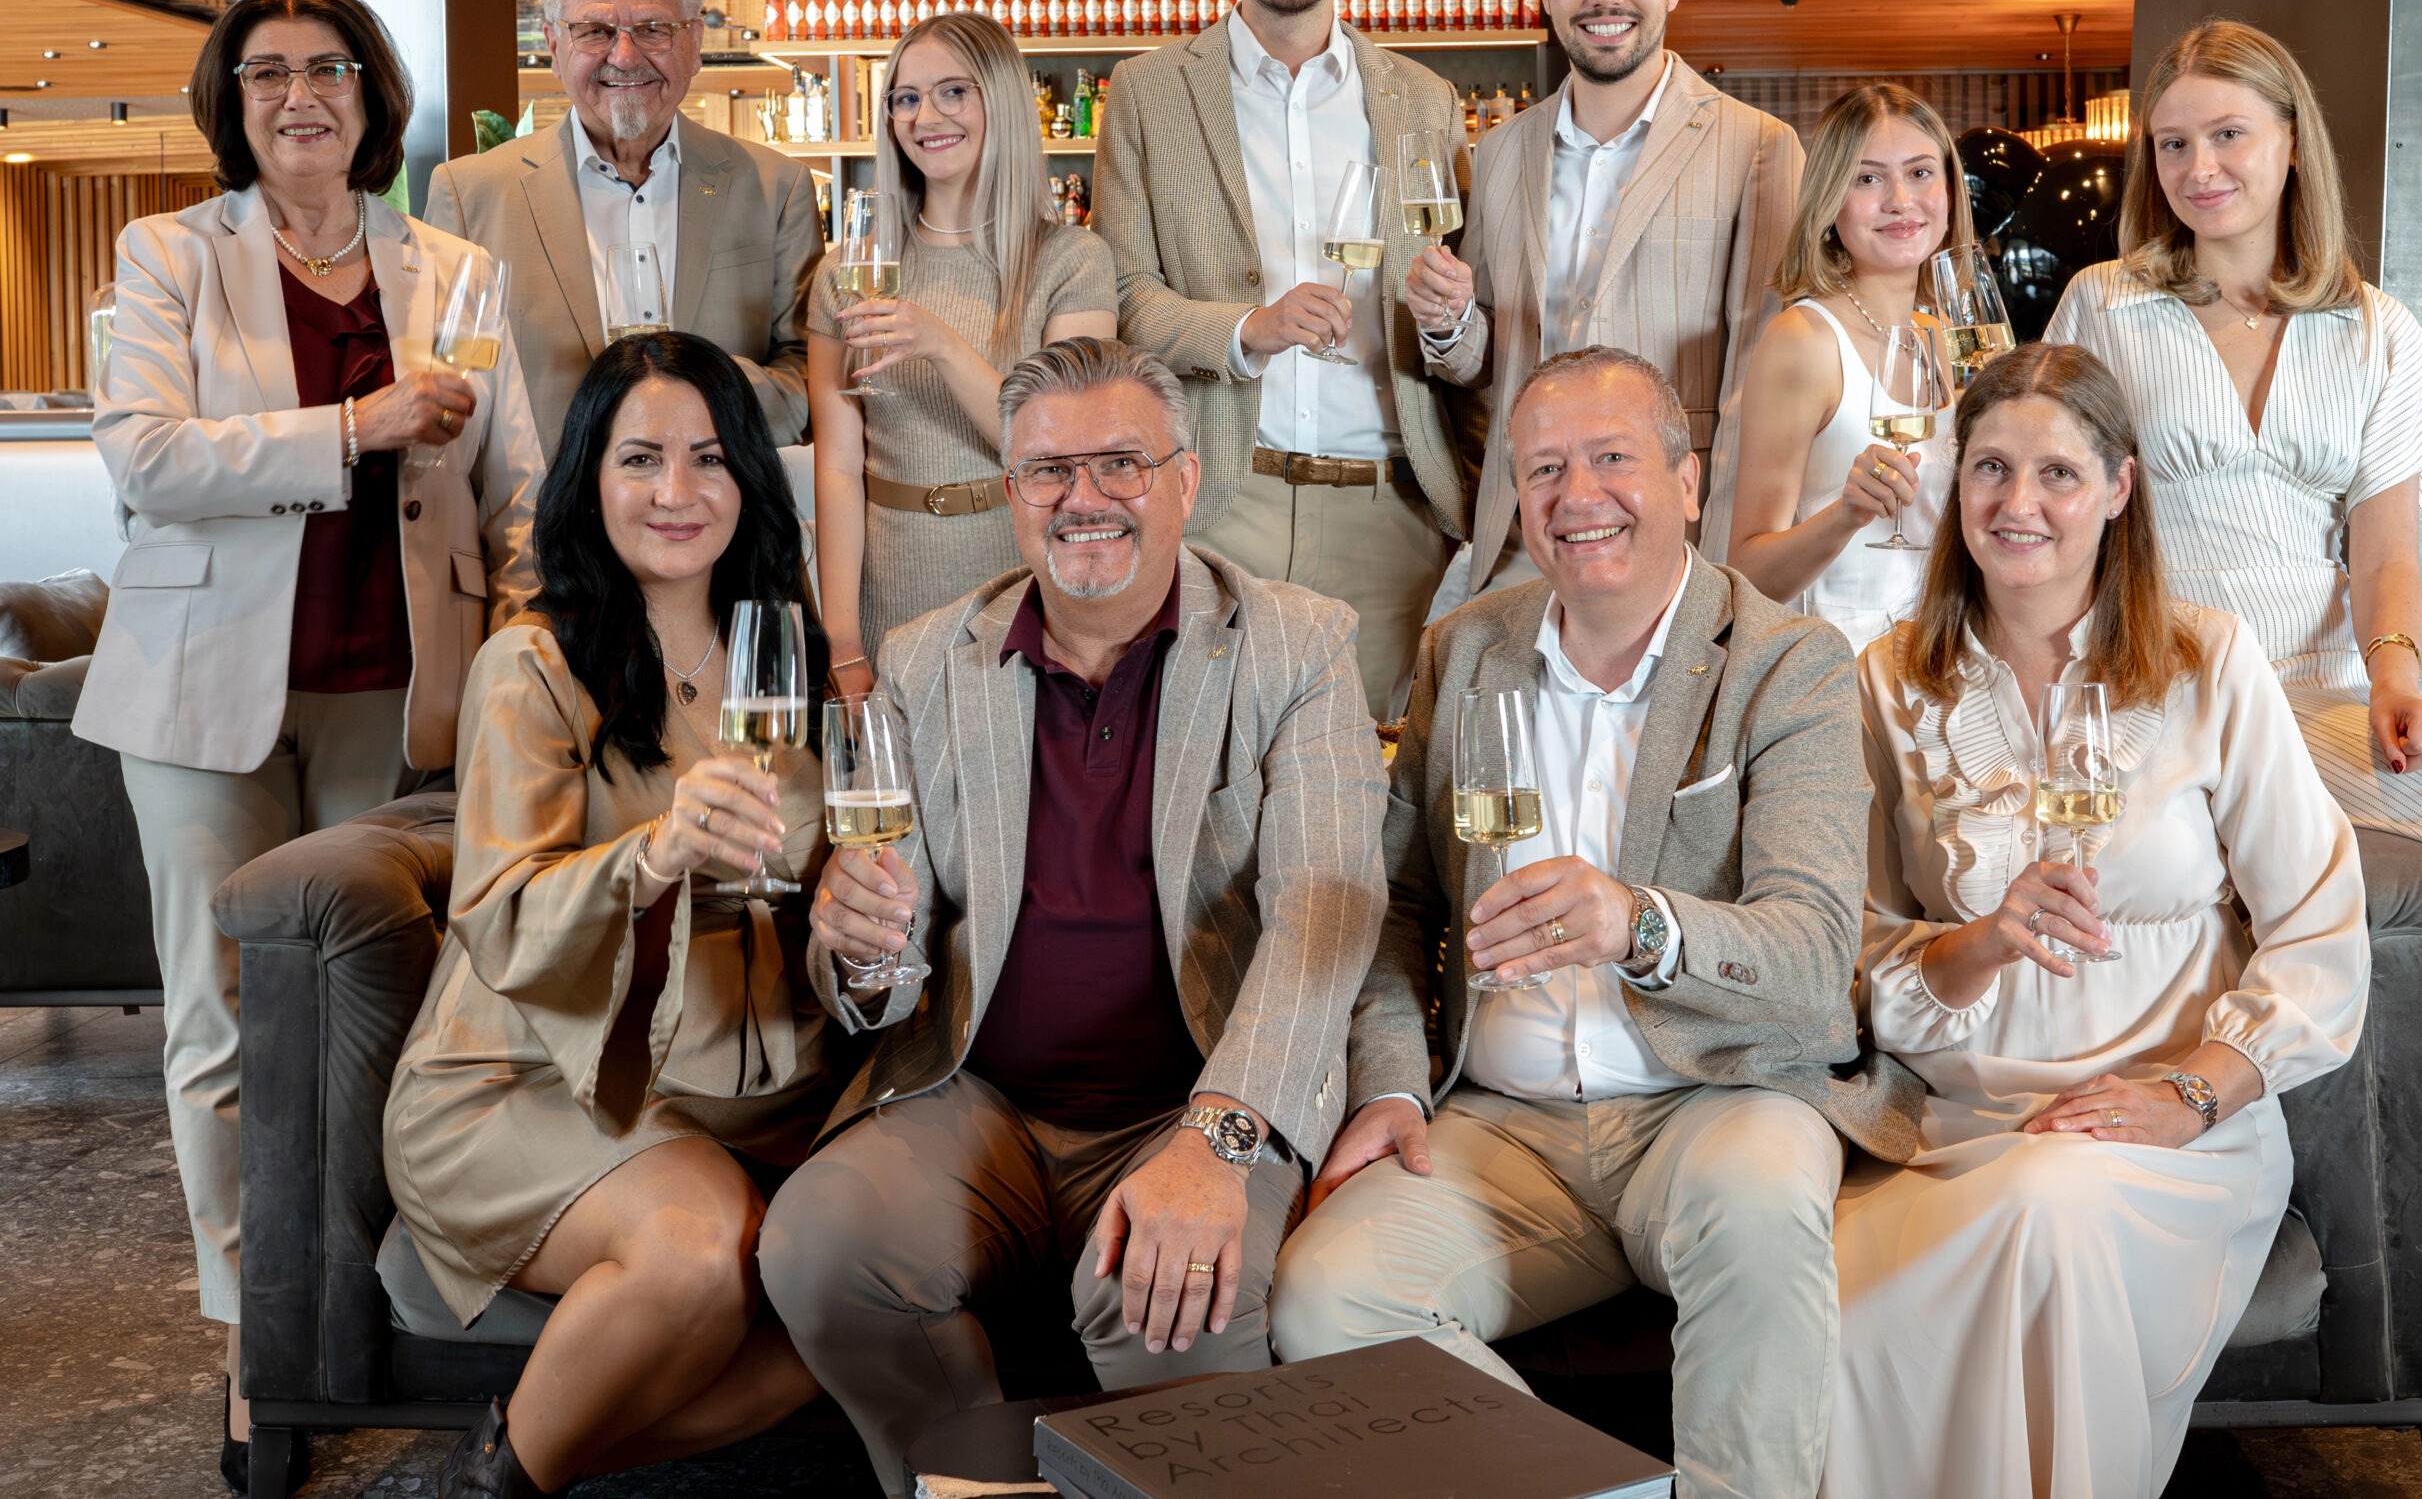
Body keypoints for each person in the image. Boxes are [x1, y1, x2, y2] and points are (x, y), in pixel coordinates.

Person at [2045, 15, 2422, 1485]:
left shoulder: (2373, 329)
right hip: (2166, 688)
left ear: (2290, 147)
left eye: (2229, 135)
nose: (2201, 165)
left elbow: (2385, 553)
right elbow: (2059, 509)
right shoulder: (2105, 307)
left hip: (2329, 691)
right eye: (2176, 141)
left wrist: (2402, 681)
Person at [1270, 346, 1920, 1499]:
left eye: (1611, 460)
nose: (1577, 498)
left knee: (1765, 1207)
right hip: (1502, 1123)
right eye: (1544, 471)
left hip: (1718, 1096)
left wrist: (1640, 925)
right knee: (1329, 1297)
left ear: (1685, 479)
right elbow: (1394, 904)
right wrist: (1387, 1086)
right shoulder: (1463, 650)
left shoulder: (1790, 667)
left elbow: (1816, 959)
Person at [757, 338, 1387, 1495]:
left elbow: (1326, 915)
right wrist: (853, 943)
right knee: (819, 1248)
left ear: (1186, 482)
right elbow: (881, 963)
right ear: (1009, 497)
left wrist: (1221, 1134)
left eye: (1120, 465)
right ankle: (971, 1487)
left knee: (1168, 1293)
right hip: (979, 1097)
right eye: (1048, 472)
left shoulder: (1299, 643)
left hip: (1193, 1093)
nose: (1082, 499)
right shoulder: (921, 662)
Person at [73, 0, 541, 1491]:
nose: (299, 97)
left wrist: (539, 627)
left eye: (327, 69)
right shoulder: (168, 256)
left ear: (372, 94)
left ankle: (372, 1317)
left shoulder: (451, 262)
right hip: (208, 691)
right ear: (232, 102)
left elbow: (517, 480)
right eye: (266, 73)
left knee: (378, 1017)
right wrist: (353, 429)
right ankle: (257, 1348)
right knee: (221, 1024)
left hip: (401, 689)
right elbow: (146, 459)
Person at [1829, 342, 2369, 1497]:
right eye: (1988, 469)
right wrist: (1976, 940)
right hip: (1960, 1125)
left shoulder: (2210, 661)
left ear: (2119, 488)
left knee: (2052, 1206)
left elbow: (2322, 936)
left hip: (2166, 1133)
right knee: (1835, 1314)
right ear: (1953, 480)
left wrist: (2188, 1095)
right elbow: (1860, 958)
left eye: (2056, 475)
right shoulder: (1884, 680)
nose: (2016, 505)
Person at [383, 332, 838, 1499]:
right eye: (640, 459)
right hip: (520, 1078)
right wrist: (655, 853)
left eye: (708, 459)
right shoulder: (532, 665)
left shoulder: (787, 653)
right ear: (590, 477)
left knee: (844, 1293)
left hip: (735, 1085)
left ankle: (513, 1466)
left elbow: (818, 879)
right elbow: (497, 915)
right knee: (700, 1250)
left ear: (750, 476)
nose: (677, 493)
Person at [1092, 0, 1472, 718]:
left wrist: (1454, 320)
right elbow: (1124, 298)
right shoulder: (1149, 90)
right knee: (1204, 774)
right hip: (1221, 498)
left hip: (1391, 517)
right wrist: (1246, 331)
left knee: (1374, 791)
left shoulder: (1423, 100)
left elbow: (1465, 336)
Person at [1409, 0, 1804, 593]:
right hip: (1526, 529)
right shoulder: (1499, 151)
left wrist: (1720, 562)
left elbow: (1761, 376)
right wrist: (1449, 322)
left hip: (1673, 536)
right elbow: (1478, 361)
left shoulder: (1759, 147)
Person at [807, 11, 1117, 692]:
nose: (925, 116)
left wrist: (941, 345)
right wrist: (843, 641)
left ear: (1000, 100)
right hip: (890, 587)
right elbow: (837, 469)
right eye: (906, 98)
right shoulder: (845, 272)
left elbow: (1059, 452)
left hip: (1028, 576)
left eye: (953, 91)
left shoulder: (1073, 263)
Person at [424, 0, 820, 458]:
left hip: (714, 519)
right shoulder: (470, 195)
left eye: (654, 29)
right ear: (554, 44)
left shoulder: (776, 188)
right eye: (594, 30)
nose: (625, 56)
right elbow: (444, 377)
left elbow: (810, 367)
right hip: (533, 524)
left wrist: (705, 395)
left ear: (694, 42)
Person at [1727, 84, 1972, 649]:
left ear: (1951, 191)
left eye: (1919, 173)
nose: (1900, 201)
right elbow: (1748, 575)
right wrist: (1847, 513)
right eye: (1868, 179)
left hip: (1943, 659)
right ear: (1831, 201)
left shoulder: (1950, 339)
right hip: (1839, 669)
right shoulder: (1804, 339)